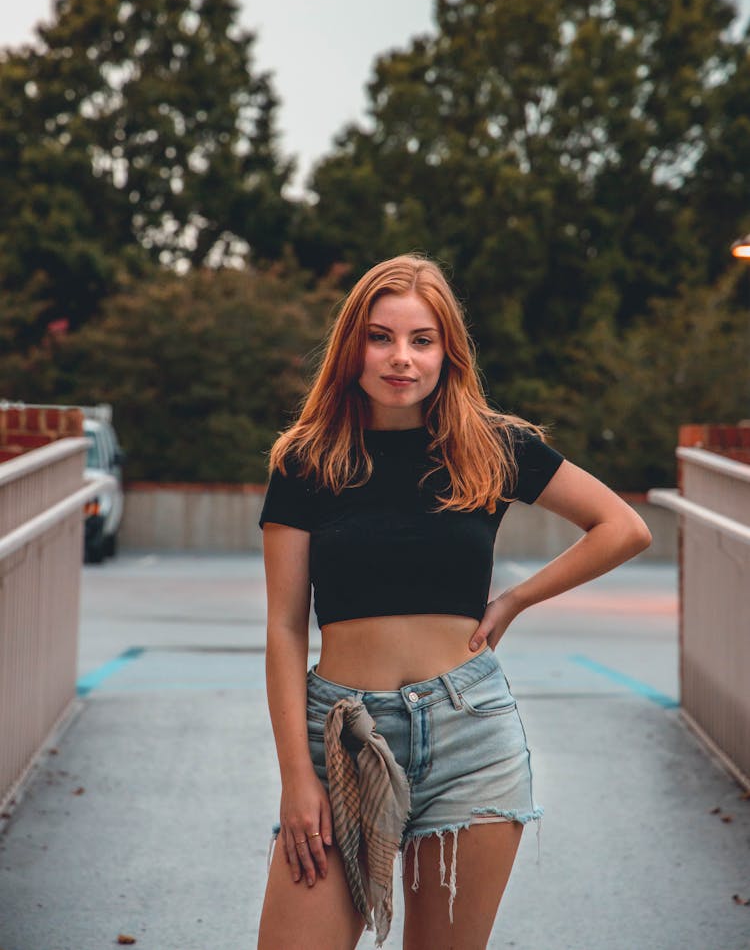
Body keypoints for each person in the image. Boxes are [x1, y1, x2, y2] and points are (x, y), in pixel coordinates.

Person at [257, 255, 651, 950]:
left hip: (471, 735)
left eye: (421, 339)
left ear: (448, 352)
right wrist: (296, 777)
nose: (400, 358)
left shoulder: (493, 446)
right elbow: (286, 627)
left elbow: (624, 527)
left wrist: (517, 600)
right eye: (380, 337)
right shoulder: (307, 461)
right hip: (344, 738)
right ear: (354, 346)